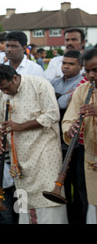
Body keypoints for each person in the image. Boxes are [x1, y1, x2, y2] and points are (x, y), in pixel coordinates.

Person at [0, 64, 68, 224]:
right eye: (1, 89)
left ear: (15, 77)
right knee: (23, 199)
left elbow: (52, 114)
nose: (5, 92)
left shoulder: (39, 84)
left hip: (44, 152)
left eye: (6, 87)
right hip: (17, 155)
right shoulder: (0, 93)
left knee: (47, 197)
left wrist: (20, 126)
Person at [50, 49, 86, 224]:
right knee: (60, 184)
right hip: (56, 141)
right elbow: (53, 104)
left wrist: (59, 99)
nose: (66, 67)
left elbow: (63, 103)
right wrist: (61, 98)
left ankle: (77, 218)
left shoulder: (83, 84)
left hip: (76, 144)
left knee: (77, 187)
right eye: (64, 63)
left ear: (80, 66)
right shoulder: (54, 82)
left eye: (71, 64)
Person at [62, 47, 97, 224]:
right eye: (87, 70)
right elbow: (68, 119)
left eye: (95, 70)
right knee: (89, 203)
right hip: (89, 157)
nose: (91, 75)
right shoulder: (83, 90)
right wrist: (70, 130)